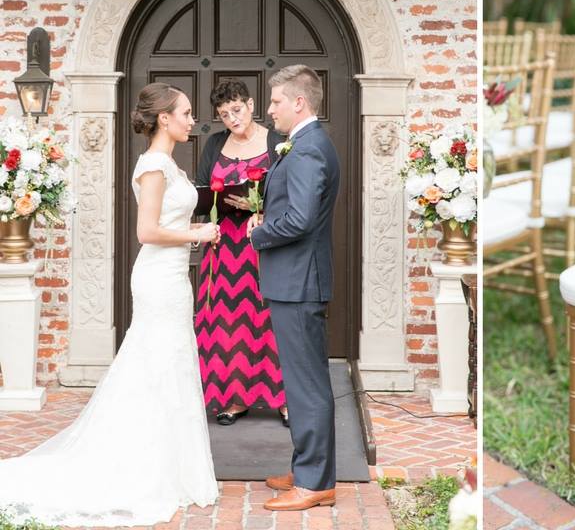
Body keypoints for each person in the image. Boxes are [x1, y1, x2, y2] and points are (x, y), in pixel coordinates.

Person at [0, 83, 220, 526]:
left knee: (169, 365)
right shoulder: (155, 165)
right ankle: (142, 467)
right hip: (158, 276)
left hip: (174, 277)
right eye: (186, 112)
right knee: (155, 364)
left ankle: (170, 465)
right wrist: (198, 234)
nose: (192, 120)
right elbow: (148, 232)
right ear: (164, 118)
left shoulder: (169, 164)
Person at [247, 64, 340, 511]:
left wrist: (259, 234)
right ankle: (307, 467)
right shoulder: (303, 145)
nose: (269, 110)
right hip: (294, 280)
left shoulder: (306, 150)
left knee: (307, 384)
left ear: (299, 102)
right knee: (301, 381)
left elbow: (301, 220)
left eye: (275, 102)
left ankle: (316, 482)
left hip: (299, 281)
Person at [194, 80, 288, 427]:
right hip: (224, 247)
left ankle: (282, 399)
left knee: (269, 319)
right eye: (224, 114)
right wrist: (215, 202)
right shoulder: (216, 143)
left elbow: (291, 190)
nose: (232, 118)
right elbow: (201, 189)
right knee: (228, 322)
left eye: (237, 109)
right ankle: (234, 399)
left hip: (263, 244)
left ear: (251, 105)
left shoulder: (277, 141)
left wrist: (259, 206)